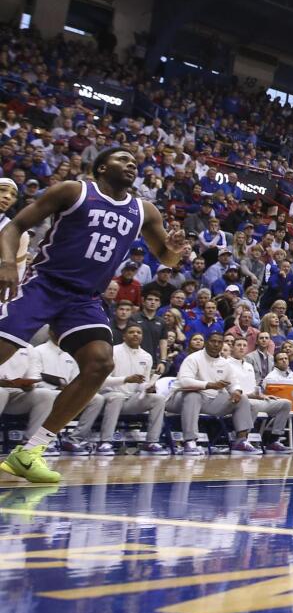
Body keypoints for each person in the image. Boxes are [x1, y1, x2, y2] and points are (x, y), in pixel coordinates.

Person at [0, 148, 189, 483]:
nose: (131, 164)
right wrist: (6, 264)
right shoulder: (73, 190)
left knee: (100, 363)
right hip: (44, 283)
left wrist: (174, 248)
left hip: (84, 298)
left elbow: (167, 259)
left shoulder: (143, 210)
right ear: (101, 167)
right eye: (122, 159)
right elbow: (15, 225)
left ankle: (30, 452)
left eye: (135, 162)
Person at [167, 331, 257, 455]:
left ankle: (241, 441)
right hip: (180, 399)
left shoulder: (225, 363)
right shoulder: (193, 358)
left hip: (209, 401)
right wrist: (209, 385)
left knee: (242, 399)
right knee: (193, 395)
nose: (216, 344)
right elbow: (184, 382)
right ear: (206, 342)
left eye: (219, 342)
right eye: (213, 341)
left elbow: (234, 382)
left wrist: (236, 391)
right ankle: (189, 442)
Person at [96, 322, 170, 455]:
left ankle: (151, 442)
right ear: (124, 336)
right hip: (109, 396)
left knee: (158, 399)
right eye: (131, 332)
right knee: (117, 397)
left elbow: (142, 383)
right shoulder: (112, 351)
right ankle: (105, 442)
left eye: (139, 332)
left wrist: (148, 387)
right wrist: (125, 379)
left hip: (132, 400)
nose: (135, 334)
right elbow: (100, 382)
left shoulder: (146, 357)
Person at [227, 335, 291, 452]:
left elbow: (253, 389)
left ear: (247, 349)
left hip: (254, 399)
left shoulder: (249, 366)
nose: (242, 348)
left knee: (285, 404)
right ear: (232, 348)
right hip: (236, 401)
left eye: (244, 346)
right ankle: (241, 440)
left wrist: (262, 396)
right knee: (251, 404)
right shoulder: (227, 364)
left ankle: (273, 440)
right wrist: (250, 396)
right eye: (238, 345)